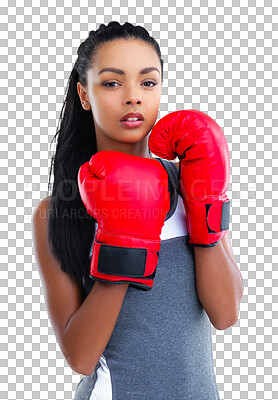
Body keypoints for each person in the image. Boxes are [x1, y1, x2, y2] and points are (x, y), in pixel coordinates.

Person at [31, 21, 244, 400]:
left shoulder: (191, 181)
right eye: (112, 83)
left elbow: (225, 315)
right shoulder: (58, 210)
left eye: (148, 82)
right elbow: (80, 357)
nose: (133, 97)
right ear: (84, 94)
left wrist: (204, 209)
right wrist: (125, 238)